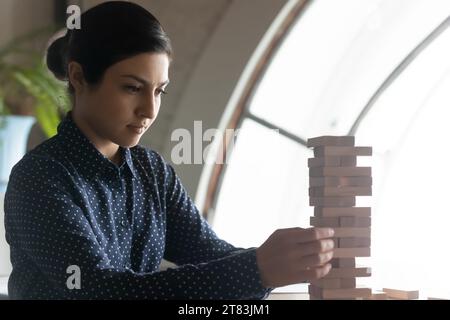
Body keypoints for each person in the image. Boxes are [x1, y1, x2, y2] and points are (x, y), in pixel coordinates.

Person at [4, 1, 334, 300]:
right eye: (132, 88)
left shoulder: (152, 171)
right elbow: (99, 290)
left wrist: (290, 261)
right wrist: (257, 268)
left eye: (159, 91)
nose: (149, 109)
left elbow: (211, 254)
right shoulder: (39, 178)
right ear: (77, 76)